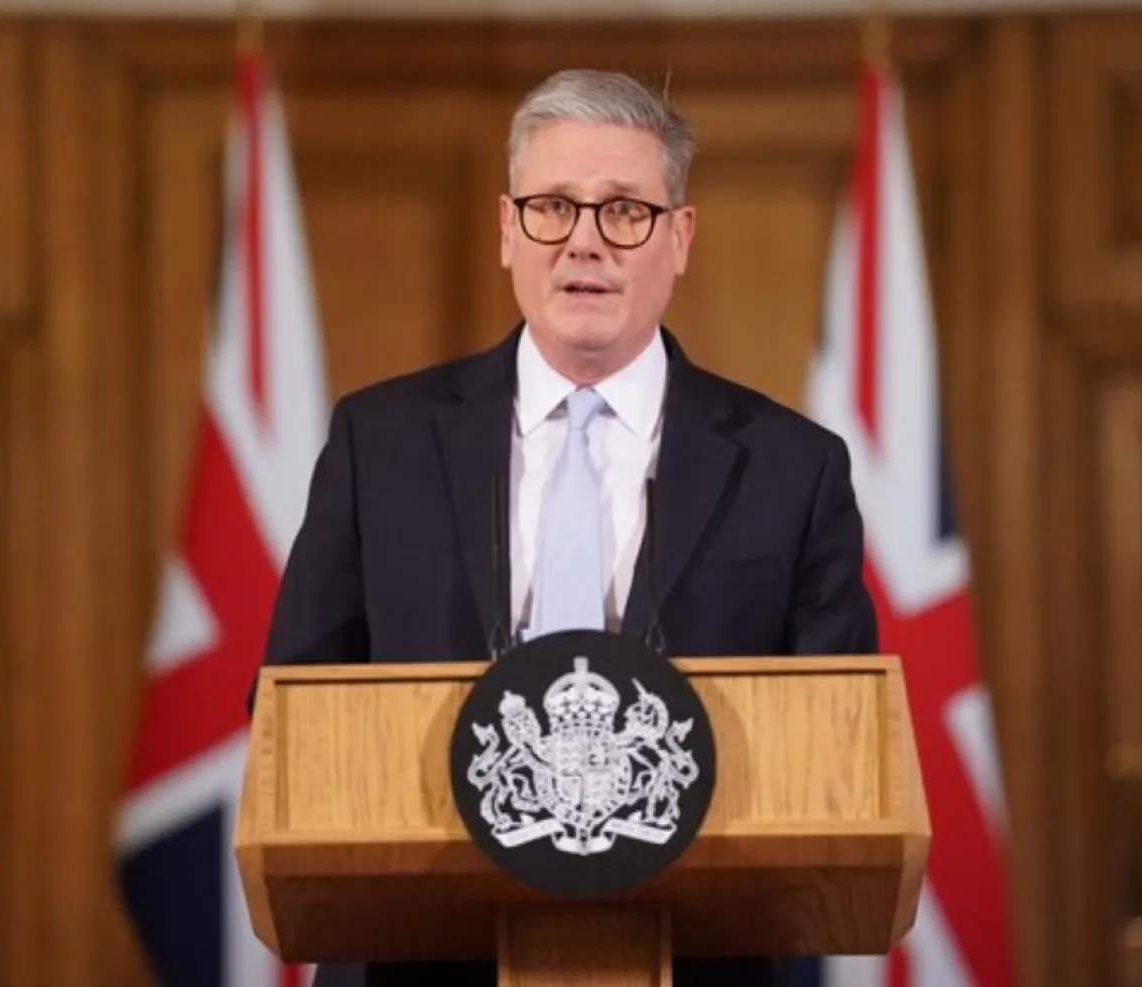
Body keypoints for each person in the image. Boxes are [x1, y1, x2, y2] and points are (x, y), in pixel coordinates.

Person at [258, 68, 878, 987]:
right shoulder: (378, 442)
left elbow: (837, 744)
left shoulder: (795, 467)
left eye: (624, 210)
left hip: (699, 957)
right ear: (508, 230)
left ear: (681, 237)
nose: (584, 241)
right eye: (553, 206)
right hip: (414, 960)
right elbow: (290, 711)